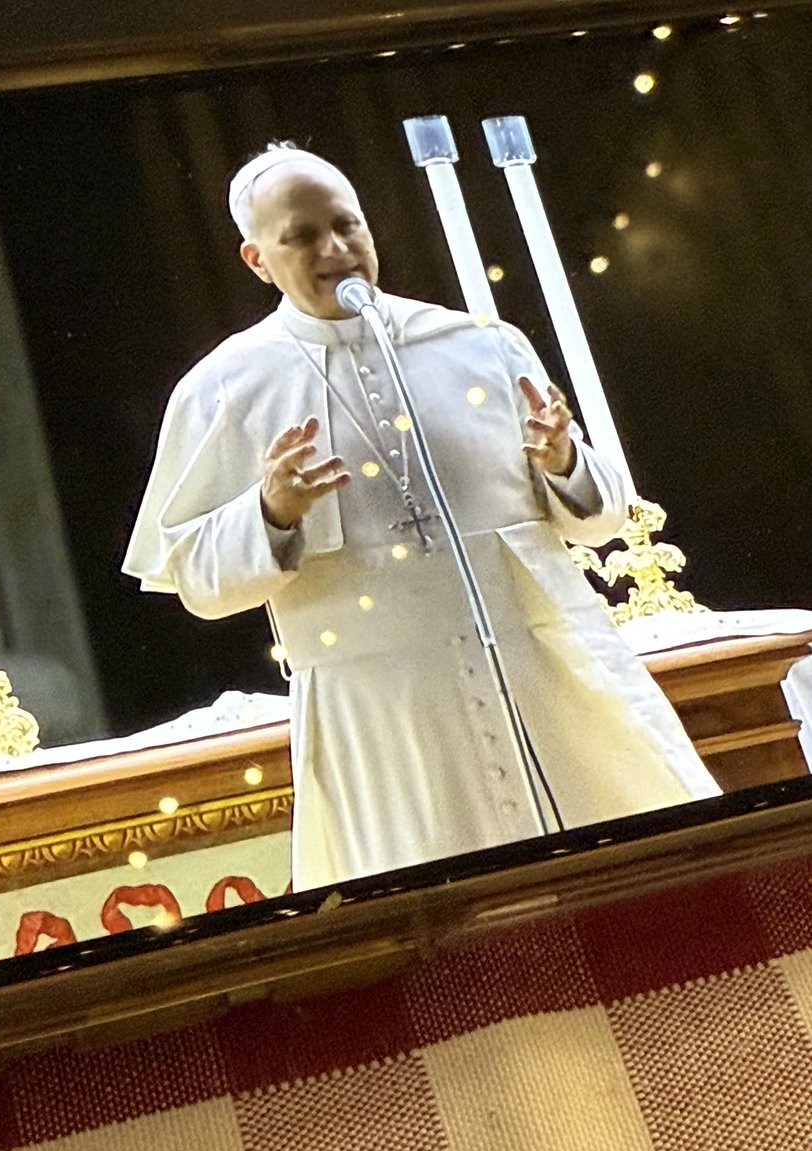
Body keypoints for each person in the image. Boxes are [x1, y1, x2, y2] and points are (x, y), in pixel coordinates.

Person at [123, 143, 719, 891]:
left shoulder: (478, 346)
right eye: (302, 236)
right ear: (257, 259)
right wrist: (271, 510)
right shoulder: (224, 389)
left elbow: (598, 524)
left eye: (348, 225)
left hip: (543, 679)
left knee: (646, 889)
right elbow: (197, 585)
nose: (336, 249)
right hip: (387, 715)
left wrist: (563, 460)